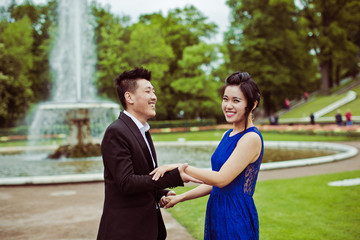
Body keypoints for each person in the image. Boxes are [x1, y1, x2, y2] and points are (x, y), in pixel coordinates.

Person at [151, 71, 264, 239]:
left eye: (236, 100)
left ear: (252, 104)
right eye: (225, 99)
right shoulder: (228, 135)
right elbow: (215, 184)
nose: (228, 105)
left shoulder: (251, 138)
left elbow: (221, 178)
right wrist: (180, 198)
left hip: (235, 215)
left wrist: (179, 168)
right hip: (217, 211)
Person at [97, 67, 200, 240]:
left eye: (154, 91)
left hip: (146, 229)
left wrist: (160, 192)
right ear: (129, 97)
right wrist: (174, 177)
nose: (154, 96)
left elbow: (143, 176)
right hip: (125, 232)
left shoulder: (141, 130)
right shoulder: (116, 131)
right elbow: (126, 182)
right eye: (148, 91)